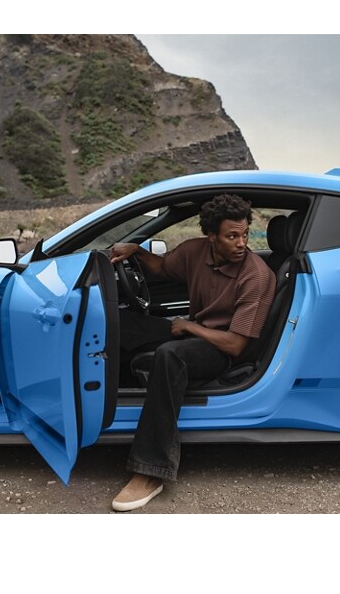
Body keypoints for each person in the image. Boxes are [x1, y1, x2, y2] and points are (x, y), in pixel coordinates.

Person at [108, 193, 276, 511]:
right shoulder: (195, 252)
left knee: (171, 354)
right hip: (195, 332)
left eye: (244, 234)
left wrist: (189, 327)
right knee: (125, 324)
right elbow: (161, 267)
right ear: (211, 236)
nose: (241, 243)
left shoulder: (256, 276)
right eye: (232, 236)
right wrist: (135, 251)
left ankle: (151, 471)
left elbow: (236, 344)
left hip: (222, 349)